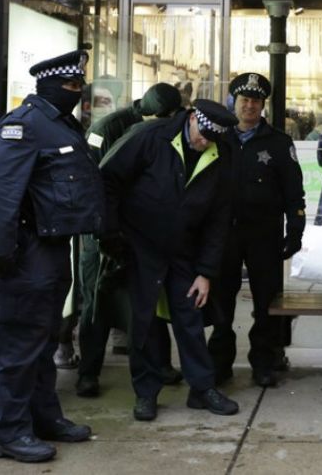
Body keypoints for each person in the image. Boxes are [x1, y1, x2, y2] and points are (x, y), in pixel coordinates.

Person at [0, 50, 103, 462]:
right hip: (24, 253)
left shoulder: (57, 124)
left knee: (45, 340)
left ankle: (44, 416)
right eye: (70, 86)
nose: (77, 92)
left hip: (51, 249)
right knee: (20, 347)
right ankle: (9, 432)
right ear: (47, 85)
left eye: (80, 85)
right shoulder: (24, 127)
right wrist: (0, 254)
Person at [100, 99, 240, 421]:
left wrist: (205, 272)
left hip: (184, 249)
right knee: (144, 322)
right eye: (202, 133)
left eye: (211, 138)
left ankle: (202, 389)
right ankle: (146, 393)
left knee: (189, 316)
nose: (204, 141)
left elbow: (219, 217)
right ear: (192, 118)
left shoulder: (221, 153)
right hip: (140, 245)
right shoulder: (151, 137)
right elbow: (108, 178)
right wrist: (110, 233)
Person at [76, 83, 185, 397]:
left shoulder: (160, 127)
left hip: (140, 230)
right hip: (103, 231)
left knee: (148, 300)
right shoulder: (107, 128)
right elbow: (92, 180)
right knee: (97, 302)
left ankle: (159, 364)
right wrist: (105, 232)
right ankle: (88, 372)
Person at [206, 72, 306, 388]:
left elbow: (294, 192)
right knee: (221, 302)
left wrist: (296, 230)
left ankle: (264, 362)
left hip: (265, 235)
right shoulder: (218, 139)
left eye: (256, 101)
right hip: (224, 236)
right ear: (234, 102)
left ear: (263, 105)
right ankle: (219, 363)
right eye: (244, 100)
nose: (250, 106)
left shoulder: (278, 142)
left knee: (266, 304)